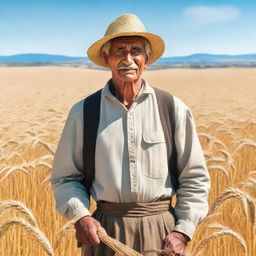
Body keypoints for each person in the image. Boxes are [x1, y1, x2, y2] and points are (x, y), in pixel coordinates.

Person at [51, 14, 210, 256]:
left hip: (162, 233)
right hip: (104, 234)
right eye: (119, 51)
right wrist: (81, 216)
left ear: (147, 58)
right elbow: (65, 178)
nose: (128, 59)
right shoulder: (84, 112)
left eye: (135, 50)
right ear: (106, 58)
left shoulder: (172, 108)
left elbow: (195, 178)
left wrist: (183, 231)